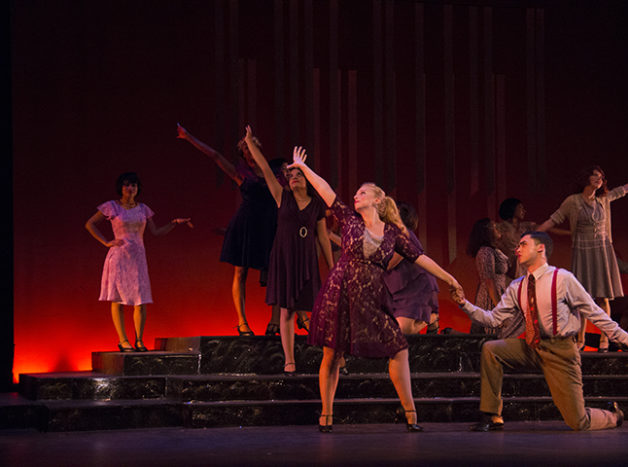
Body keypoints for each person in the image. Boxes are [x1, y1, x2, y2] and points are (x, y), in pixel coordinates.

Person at [287, 147, 463, 433]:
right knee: (331, 354)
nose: (356, 196)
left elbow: (421, 257)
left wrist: (450, 279)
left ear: (378, 200)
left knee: (399, 347)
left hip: (371, 298)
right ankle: (327, 415)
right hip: (340, 291)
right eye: (356, 193)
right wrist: (303, 168)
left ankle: (410, 414)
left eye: (363, 193)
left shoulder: (394, 233)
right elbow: (325, 190)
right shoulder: (348, 219)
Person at [451, 231, 628, 432]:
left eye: (523, 244)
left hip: (561, 351)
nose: (516, 249)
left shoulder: (563, 279)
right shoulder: (517, 287)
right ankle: (492, 415)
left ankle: (613, 416)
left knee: (578, 422)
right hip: (532, 347)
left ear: (540, 248)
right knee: (491, 349)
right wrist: (464, 304)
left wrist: (626, 338)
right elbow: (493, 319)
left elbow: (594, 312)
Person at [537, 166, 628, 351]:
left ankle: (605, 338)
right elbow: (553, 220)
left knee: (603, 297)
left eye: (601, 177)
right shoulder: (572, 201)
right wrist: (534, 233)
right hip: (583, 252)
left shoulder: (604, 199)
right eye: (595, 175)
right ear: (585, 178)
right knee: (582, 298)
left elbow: (624, 189)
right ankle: (580, 339)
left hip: (602, 252)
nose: (599, 179)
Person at [242, 126, 334, 374]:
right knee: (287, 311)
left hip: (306, 261)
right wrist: (250, 143)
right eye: (290, 175)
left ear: (306, 180)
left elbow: (324, 239)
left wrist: (333, 269)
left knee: (319, 310)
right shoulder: (282, 196)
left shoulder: (316, 205)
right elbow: (263, 167)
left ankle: (335, 355)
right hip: (284, 261)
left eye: (298, 175)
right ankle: (289, 359)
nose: (293, 178)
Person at [177, 123, 280, 336]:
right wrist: (188, 137)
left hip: (269, 226)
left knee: (275, 274)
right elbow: (215, 156)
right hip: (246, 225)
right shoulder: (241, 172)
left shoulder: (273, 172)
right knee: (240, 272)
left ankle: (275, 322)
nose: (249, 155)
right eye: (245, 152)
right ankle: (242, 322)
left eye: (252, 149)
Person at [85, 172, 192, 351]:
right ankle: (123, 339)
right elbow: (90, 224)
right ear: (121, 187)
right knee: (117, 299)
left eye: (133, 185)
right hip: (119, 256)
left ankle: (139, 340)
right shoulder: (112, 206)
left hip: (138, 258)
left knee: (141, 300)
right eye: (127, 185)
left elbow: (156, 232)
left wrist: (174, 222)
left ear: (138, 188)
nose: (130, 188)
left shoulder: (143, 209)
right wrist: (105, 242)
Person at [383, 202, 440, 335]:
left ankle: (431, 318)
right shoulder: (387, 237)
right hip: (401, 288)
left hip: (416, 286)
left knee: (404, 330)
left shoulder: (404, 236)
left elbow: (389, 263)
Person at [467, 218, 524, 338]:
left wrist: (516, 255)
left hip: (500, 291)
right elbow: (489, 281)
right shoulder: (485, 252)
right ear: (486, 232)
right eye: (494, 226)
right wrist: (499, 309)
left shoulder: (496, 251)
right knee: (492, 333)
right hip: (490, 295)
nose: (498, 228)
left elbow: (512, 274)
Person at [495, 198, 537, 280]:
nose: (524, 211)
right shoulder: (500, 228)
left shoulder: (525, 227)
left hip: (522, 268)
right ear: (512, 208)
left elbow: (547, 227)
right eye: (520, 208)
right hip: (508, 270)